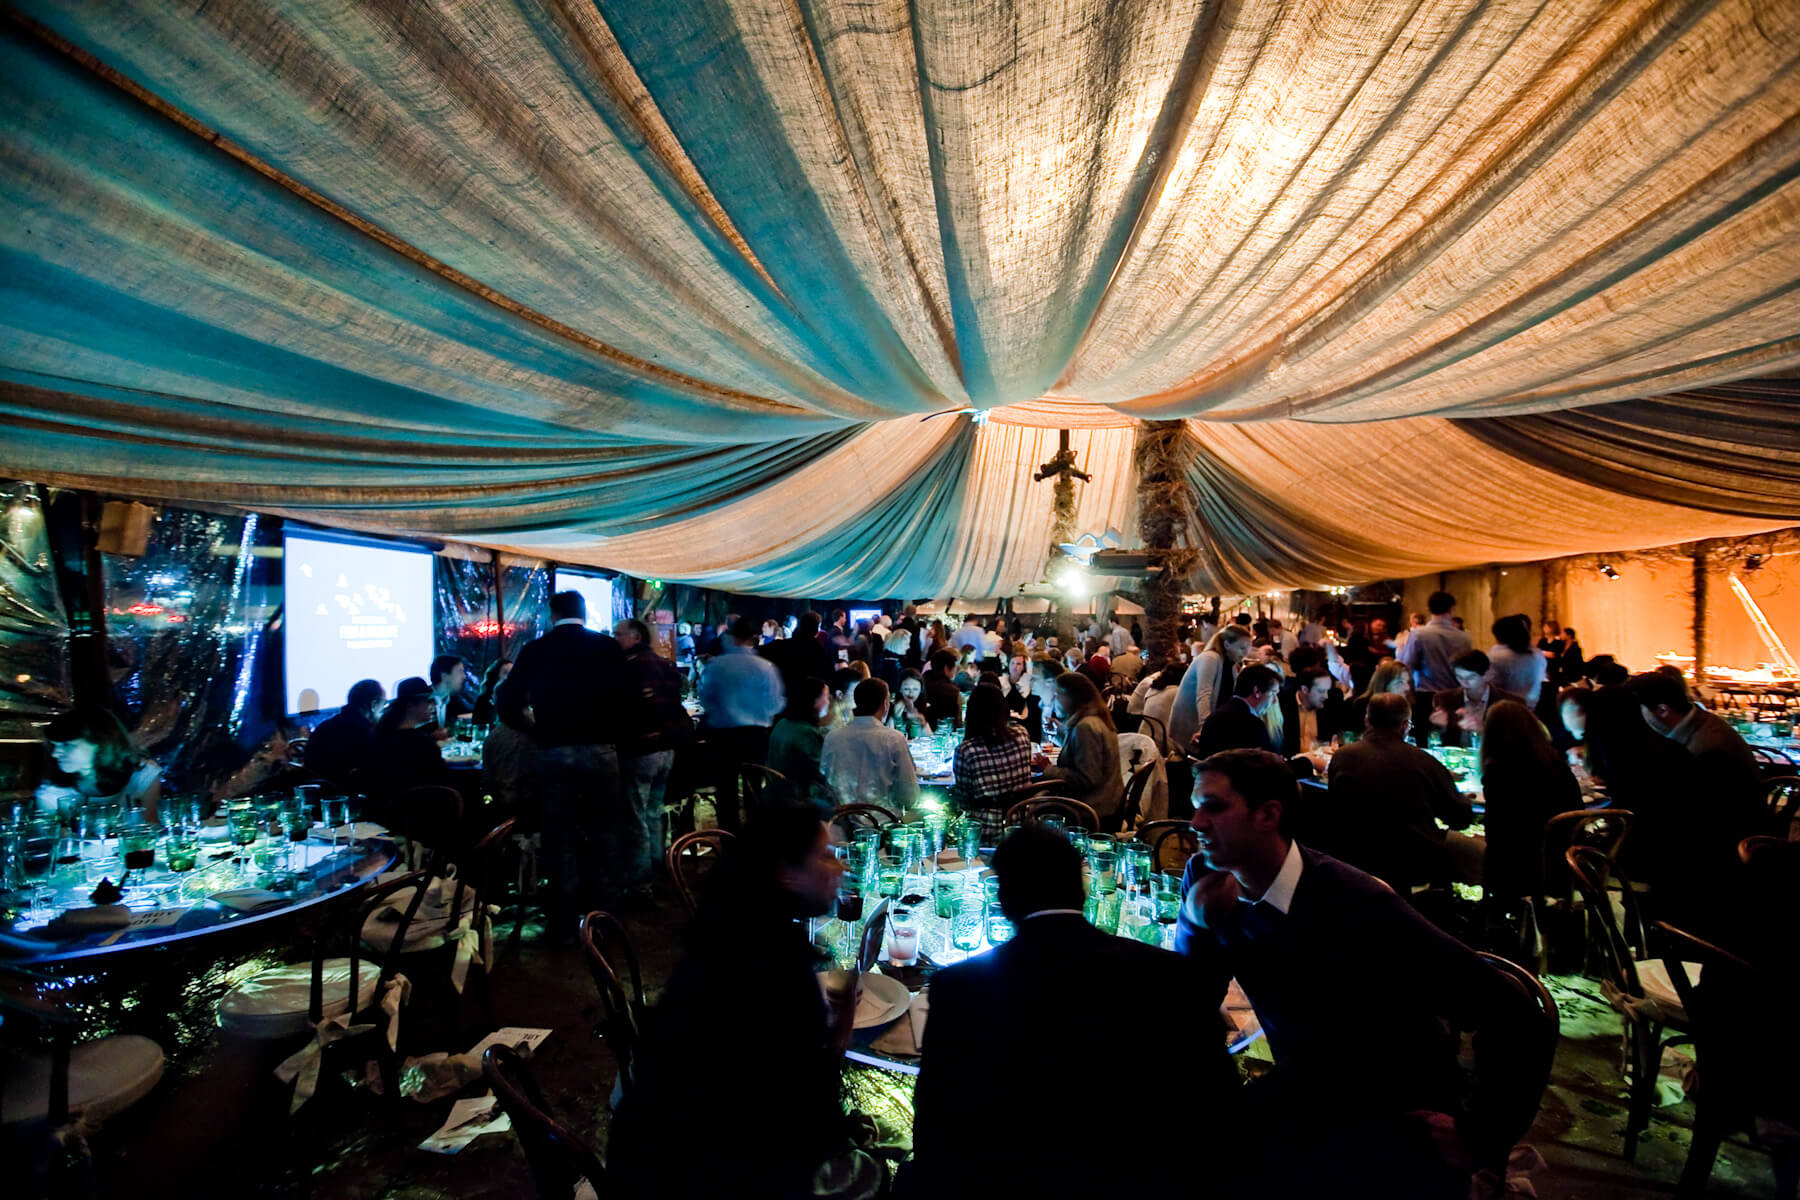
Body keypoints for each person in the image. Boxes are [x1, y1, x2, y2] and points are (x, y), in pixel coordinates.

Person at [1178, 749, 1536, 1197]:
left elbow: (1511, 1009)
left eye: (1214, 806)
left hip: (1394, 1107)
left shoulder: (1356, 903)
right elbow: (1188, 998)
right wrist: (1193, 926)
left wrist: (1480, 1135)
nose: (1195, 823)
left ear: (1269, 814)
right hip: (1307, 1091)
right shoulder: (1208, 877)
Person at [902, 826, 1237, 1199]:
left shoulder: (959, 987)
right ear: (1082, 890)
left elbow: (936, 1125)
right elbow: (1217, 1106)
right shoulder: (1171, 973)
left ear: (1005, 898)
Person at [610, 808, 881, 1199]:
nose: (838, 867)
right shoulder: (772, 968)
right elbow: (811, 1123)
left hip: (653, 1153)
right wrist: (840, 1026)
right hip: (708, 1174)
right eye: (824, 855)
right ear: (786, 873)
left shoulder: (730, 932)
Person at [497, 591, 634, 929]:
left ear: (552, 614)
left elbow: (506, 701)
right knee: (604, 832)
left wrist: (534, 729)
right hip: (602, 750)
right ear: (584, 613)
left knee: (559, 836)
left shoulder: (536, 649)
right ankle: (603, 915)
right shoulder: (607, 647)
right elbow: (628, 700)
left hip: (554, 750)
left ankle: (562, 919)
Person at [1326, 694, 1473, 889]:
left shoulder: (1341, 757)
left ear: (1367, 720)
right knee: (1475, 852)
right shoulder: (1422, 761)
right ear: (1404, 726)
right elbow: (1459, 818)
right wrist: (1464, 799)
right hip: (1413, 863)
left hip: (1353, 858)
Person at [1626, 670, 1767, 832]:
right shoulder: (1700, 721)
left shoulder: (1706, 748)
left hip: (1733, 837)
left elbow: (1695, 813)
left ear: (1663, 710)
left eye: (1640, 710)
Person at [1477, 699, 1581, 914]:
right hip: (1564, 860)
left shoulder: (1500, 771)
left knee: (1456, 844)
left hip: (1519, 865)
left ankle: (1474, 912)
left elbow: (1497, 831)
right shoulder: (1554, 762)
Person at [615, 617, 693, 900]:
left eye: (619, 634)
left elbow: (622, 710)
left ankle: (640, 883)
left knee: (637, 818)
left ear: (635, 637)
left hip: (640, 749)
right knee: (653, 813)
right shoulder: (664, 666)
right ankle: (660, 872)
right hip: (667, 749)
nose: (615, 639)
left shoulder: (629, 669)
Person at [697, 615, 786, 831]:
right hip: (756, 735)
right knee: (754, 789)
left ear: (731, 637)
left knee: (725, 791)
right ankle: (755, 840)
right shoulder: (765, 667)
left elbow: (705, 699)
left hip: (723, 735)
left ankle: (729, 841)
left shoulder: (717, 666)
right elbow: (776, 703)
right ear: (752, 639)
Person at [40, 706, 162, 825]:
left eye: (67, 745)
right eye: (54, 745)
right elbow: (55, 841)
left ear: (100, 743)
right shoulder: (51, 793)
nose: (55, 754)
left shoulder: (142, 775)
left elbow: (153, 826)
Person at [1036, 672, 1124, 828]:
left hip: (1090, 811)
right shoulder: (1095, 719)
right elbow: (1082, 754)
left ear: (1072, 697)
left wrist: (1048, 769)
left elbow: (1087, 779)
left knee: (1034, 808)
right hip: (1108, 803)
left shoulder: (1086, 727)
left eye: (1057, 695)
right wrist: (1060, 735)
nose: (1054, 700)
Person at [821, 679, 920, 812]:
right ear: (885, 704)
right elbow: (909, 796)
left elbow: (824, 785)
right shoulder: (894, 739)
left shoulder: (832, 737)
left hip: (840, 821)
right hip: (883, 822)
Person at [952, 683, 1034, 842]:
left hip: (987, 830)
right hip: (1023, 823)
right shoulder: (1022, 734)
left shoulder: (966, 750)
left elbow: (964, 801)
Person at [370, 676, 454, 799]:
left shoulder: (381, 736)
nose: (432, 705)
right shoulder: (422, 743)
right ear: (410, 705)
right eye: (427, 700)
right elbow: (441, 780)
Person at [1397, 591, 1470, 730]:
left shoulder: (1418, 634)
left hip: (1426, 697)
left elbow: (1406, 666)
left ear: (1429, 609)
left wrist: (1409, 694)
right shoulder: (1464, 638)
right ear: (1452, 609)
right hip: (1456, 697)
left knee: (1425, 741)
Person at [1171, 624, 1252, 750]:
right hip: (1191, 725)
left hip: (1209, 723)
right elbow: (1203, 694)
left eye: (1248, 648)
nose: (1246, 653)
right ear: (1226, 645)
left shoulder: (1230, 664)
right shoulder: (1210, 658)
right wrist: (1206, 727)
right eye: (1242, 648)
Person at [766, 676, 835, 816]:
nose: (828, 702)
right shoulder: (806, 733)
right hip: (795, 802)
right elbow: (823, 773)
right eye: (826, 697)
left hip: (773, 794)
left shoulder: (782, 723)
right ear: (813, 700)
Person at [1191, 663, 1280, 759]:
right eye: (1273, 693)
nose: (1274, 700)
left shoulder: (1215, 716)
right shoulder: (1253, 725)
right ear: (1257, 691)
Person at [305, 678, 384, 785]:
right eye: (383, 705)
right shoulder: (366, 734)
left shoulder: (323, 727)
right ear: (373, 705)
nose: (383, 711)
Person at [1277, 667, 1349, 757]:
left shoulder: (1330, 705)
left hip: (1321, 763)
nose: (1326, 696)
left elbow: (1339, 739)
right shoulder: (1284, 705)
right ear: (1304, 690)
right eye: (1321, 691)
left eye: (1327, 690)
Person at [1486, 614, 1547, 709]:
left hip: (1507, 709)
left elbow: (1492, 688)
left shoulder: (1496, 657)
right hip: (1533, 707)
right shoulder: (1537, 654)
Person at [1349, 658, 1411, 738]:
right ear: (1384, 683)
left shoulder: (1405, 708)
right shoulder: (1362, 706)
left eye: (1407, 682)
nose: (1407, 687)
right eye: (1400, 682)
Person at [428, 654, 474, 730]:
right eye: (460, 672)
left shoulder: (456, 701)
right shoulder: (421, 701)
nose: (464, 676)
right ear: (445, 676)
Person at [921, 649, 963, 731]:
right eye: (955, 667)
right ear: (946, 668)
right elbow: (958, 724)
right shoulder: (952, 691)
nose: (956, 670)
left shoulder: (920, 682)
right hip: (944, 734)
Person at [888, 668, 934, 737]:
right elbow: (887, 736)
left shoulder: (925, 708)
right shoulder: (891, 707)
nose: (911, 693)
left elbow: (930, 738)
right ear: (900, 689)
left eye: (915, 689)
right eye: (906, 689)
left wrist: (920, 720)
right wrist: (896, 718)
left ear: (921, 690)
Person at [469, 658, 511, 726]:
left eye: (513, 673)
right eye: (505, 673)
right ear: (495, 677)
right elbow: (478, 728)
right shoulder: (483, 701)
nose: (510, 677)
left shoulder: (519, 702)